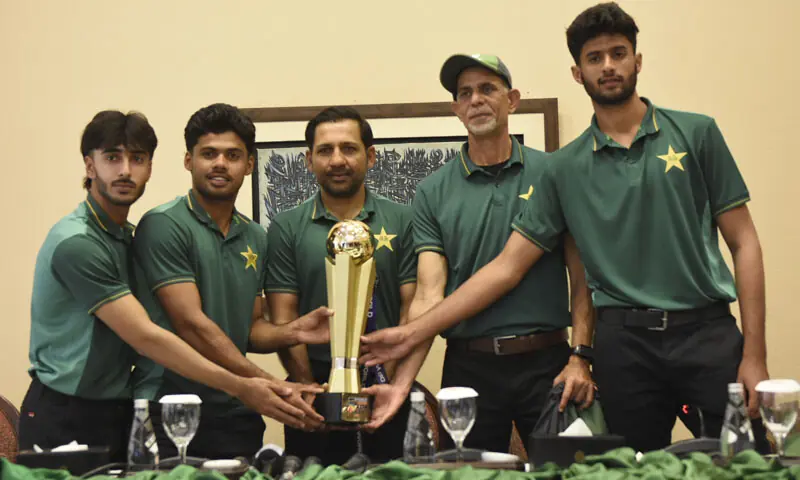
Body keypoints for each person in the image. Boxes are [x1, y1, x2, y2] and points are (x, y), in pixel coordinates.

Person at [361, 3, 769, 453]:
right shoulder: (563, 169)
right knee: (628, 467)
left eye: (619, 53)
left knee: (748, 459)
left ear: (638, 60)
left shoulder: (697, 133)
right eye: (595, 58)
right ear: (578, 72)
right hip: (624, 345)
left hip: (706, 333)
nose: (609, 66)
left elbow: (744, 242)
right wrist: (411, 336)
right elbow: (507, 268)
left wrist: (755, 354)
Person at [20, 110, 317, 463]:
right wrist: (253, 386)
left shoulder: (124, 237)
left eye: (138, 159)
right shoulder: (79, 242)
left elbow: (248, 326)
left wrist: (295, 332)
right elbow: (149, 335)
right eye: (112, 158)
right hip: (66, 410)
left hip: (118, 409)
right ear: (90, 166)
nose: (126, 171)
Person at [361, 55, 595, 455]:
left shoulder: (554, 173)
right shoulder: (432, 191)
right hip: (470, 366)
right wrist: (400, 384)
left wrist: (581, 357)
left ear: (513, 100)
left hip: (548, 363)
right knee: (466, 473)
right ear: (456, 109)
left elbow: (582, 276)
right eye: (465, 93)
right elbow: (428, 296)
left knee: (566, 470)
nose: (476, 100)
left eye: (488, 89)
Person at [131, 104, 333, 460]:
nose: (220, 164)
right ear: (188, 161)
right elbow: (191, 325)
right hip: (172, 408)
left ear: (250, 164)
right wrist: (269, 385)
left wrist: (295, 331)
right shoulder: (164, 225)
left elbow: (251, 329)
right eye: (209, 154)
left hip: (237, 412)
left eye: (233, 155)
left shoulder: (255, 235)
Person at [265, 106, 417, 465]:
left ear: (371, 156)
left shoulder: (404, 219)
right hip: (311, 392)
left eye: (348, 148)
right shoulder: (286, 227)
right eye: (325, 150)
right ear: (308, 160)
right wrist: (315, 393)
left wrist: (387, 381)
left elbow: (413, 307)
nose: (337, 160)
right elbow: (284, 319)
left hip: (386, 384)